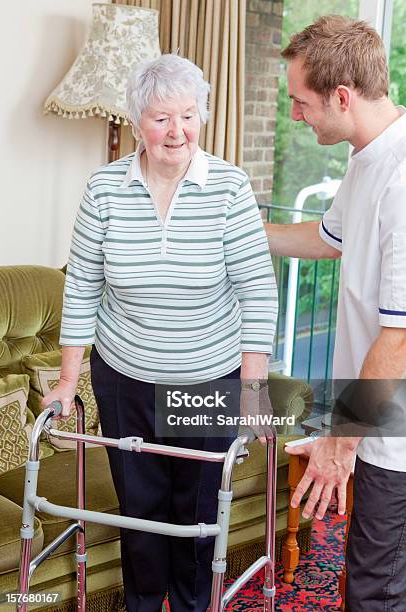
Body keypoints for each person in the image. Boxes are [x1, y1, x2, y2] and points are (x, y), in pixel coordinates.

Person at [43, 54, 278, 612]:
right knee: (140, 515)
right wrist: (67, 379)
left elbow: (258, 293)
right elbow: (81, 290)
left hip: (208, 379)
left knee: (198, 516)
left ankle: (196, 605)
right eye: (161, 118)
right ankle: (144, 604)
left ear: (202, 117)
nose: (178, 132)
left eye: (189, 116)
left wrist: (252, 392)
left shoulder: (229, 188)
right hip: (126, 379)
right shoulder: (104, 189)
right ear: (136, 122)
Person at [266, 15, 406, 610]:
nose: (296, 114)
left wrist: (340, 444)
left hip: (395, 440)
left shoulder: (402, 179)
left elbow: (399, 338)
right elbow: (327, 239)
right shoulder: (368, 157)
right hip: (377, 425)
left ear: (341, 97)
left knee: (375, 591)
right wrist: (237, 229)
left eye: (301, 102)